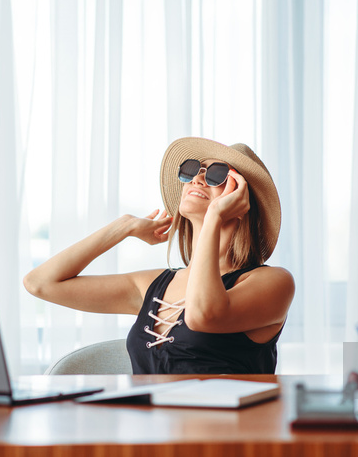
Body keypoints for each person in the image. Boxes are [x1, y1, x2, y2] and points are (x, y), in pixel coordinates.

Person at [23, 137, 295, 374]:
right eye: (193, 170)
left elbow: (202, 315)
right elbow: (40, 283)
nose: (198, 178)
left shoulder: (274, 282)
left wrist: (215, 216)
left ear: (243, 201)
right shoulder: (153, 285)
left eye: (218, 175)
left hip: (223, 432)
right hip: (149, 431)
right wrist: (124, 226)